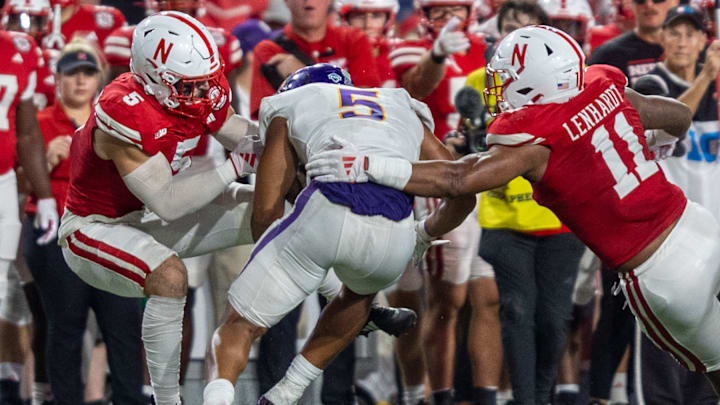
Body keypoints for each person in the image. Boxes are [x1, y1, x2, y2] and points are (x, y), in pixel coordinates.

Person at [307, 24, 720, 395]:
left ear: (534, 84)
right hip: (699, 226)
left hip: (660, 272)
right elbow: (679, 115)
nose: (497, 88)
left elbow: (457, 180)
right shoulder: (601, 83)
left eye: (506, 79)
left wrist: (365, 165)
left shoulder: (533, 139)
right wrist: (653, 143)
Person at [202, 63, 475, 405]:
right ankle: (286, 394)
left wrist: (282, 265)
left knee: (237, 325)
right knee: (358, 294)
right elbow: (461, 189)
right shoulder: (399, 103)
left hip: (328, 209)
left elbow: (266, 214)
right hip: (397, 234)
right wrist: (423, 233)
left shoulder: (290, 105)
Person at [57, 11, 260, 405]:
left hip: (142, 217)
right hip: (92, 227)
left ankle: (350, 298)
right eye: (191, 86)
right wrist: (233, 168)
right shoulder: (122, 111)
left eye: (207, 82)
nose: (204, 93)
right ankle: (166, 400)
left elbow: (237, 132)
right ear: (152, 77)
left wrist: (277, 139)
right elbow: (167, 202)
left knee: (270, 210)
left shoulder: (195, 85)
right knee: (170, 276)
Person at [23, 40, 146, 405]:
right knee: (65, 327)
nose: (80, 81)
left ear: (100, 77)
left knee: (123, 324)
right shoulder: (40, 122)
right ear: (57, 78)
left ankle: (128, 398)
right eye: (72, 73)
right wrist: (45, 161)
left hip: (109, 232)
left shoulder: (114, 119)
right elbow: (20, 185)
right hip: (57, 233)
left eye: (88, 72)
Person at [630, 6, 720, 404]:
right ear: (662, 39)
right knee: (661, 344)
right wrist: (705, 76)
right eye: (676, 33)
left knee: (711, 343)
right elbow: (672, 122)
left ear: (704, 40)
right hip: (666, 238)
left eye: (691, 33)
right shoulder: (649, 85)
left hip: (713, 234)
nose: (683, 40)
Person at [0, 27, 56, 405]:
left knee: (7, 287)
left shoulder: (19, 47)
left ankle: (7, 386)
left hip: (4, 181)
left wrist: (46, 195)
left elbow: (28, 129)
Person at [249, 0, 380, 119]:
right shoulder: (268, 50)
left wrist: (301, 74)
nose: (308, 1)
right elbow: (268, 118)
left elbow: (365, 104)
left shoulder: (354, 40)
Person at [588, 0, 677, 84]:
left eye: (657, 0)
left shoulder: (688, 49)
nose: (649, 4)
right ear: (631, 4)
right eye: (640, 0)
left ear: (673, 2)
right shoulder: (607, 53)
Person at [335, 0, 399, 88]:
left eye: (376, 16)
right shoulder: (332, 54)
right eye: (358, 15)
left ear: (388, 19)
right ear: (345, 18)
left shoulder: (400, 52)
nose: (368, 24)